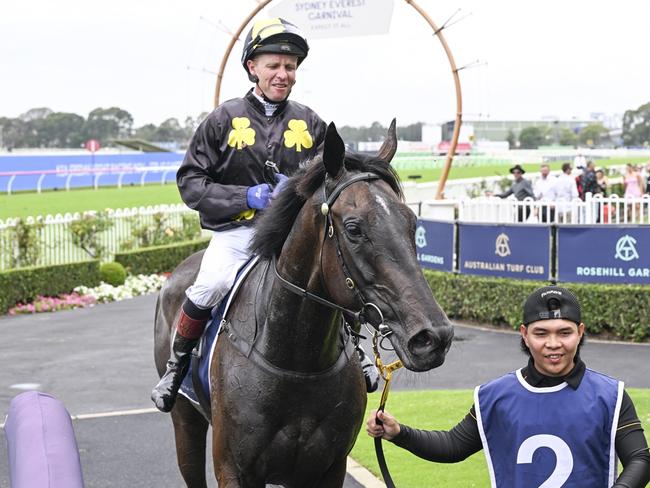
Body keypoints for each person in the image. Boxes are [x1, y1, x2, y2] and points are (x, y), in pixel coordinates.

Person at [151, 18, 378, 413]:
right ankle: (177, 367)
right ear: (252, 67)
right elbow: (191, 182)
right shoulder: (221, 120)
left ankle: (357, 353)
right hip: (239, 233)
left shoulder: (310, 122)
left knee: (339, 278)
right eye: (273, 65)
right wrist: (247, 196)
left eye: (290, 67)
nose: (283, 74)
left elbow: (335, 172)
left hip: (295, 234)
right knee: (210, 284)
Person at [367, 286, 650, 487]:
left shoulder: (610, 396)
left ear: (580, 333)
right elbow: (453, 446)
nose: (553, 344)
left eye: (564, 333)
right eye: (541, 333)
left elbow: (639, 458)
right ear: (525, 335)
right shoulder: (494, 397)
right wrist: (399, 433)